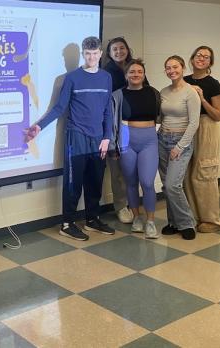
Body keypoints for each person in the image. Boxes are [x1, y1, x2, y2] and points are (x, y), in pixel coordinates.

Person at [25, 36, 114, 241]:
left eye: (95, 53)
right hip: (76, 136)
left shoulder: (106, 77)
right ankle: (67, 223)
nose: (91, 57)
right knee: (74, 183)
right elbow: (59, 107)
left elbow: (108, 109)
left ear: (100, 54)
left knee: (95, 181)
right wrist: (39, 126)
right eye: (87, 53)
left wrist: (107, 137)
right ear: (83, 54)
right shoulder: (72, 77)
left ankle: (92, 219)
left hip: (99, 139)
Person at [111, 59, 161, 238]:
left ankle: (150, 221)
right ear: (126, 75)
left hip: (148, 139)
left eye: (139, 71)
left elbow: (162, 115)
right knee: (131, 182)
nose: (136, 74)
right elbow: (112, 122)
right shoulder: (118, 95)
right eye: (132, 71)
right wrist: (113, 145)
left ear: (144, 74)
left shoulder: (154, 93)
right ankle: (137, 217)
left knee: (147, 182)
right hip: (126, 139)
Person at [158, 55, 200, 240]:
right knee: (167, 186)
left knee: (172, 185)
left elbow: (194, 123)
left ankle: (187, 223)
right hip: (162, 140)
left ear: (182, 68)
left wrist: (180, 146)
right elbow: (159, 118)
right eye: (168, 68)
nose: (171, 70)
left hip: (180, 142)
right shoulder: (163, 92)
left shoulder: (190, 92)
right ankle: (173, 222)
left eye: (175, 67)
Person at [184, 46, 220, 233]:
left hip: (206, 127)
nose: (201, 58)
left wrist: (201, 98)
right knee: (185, 175)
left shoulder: (213, 84)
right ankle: (192, 217)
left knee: (204, 173)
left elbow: (218, 115)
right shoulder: (184, 81)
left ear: (210, 63)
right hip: (185, 127)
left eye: (206, 57)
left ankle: (211, 220)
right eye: (198, 55)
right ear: (192, 59)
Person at [104, 37, 140, 224]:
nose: (119, 51)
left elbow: (145, 91)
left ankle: (133, 203)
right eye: (114, 49)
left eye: (122, 48)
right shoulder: (106, 73)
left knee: (134, 170)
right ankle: (121, 206)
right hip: (116, 126)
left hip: (137, 126)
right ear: (109, 53)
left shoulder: (135, 67)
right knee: (117, 172)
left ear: (127, 49)